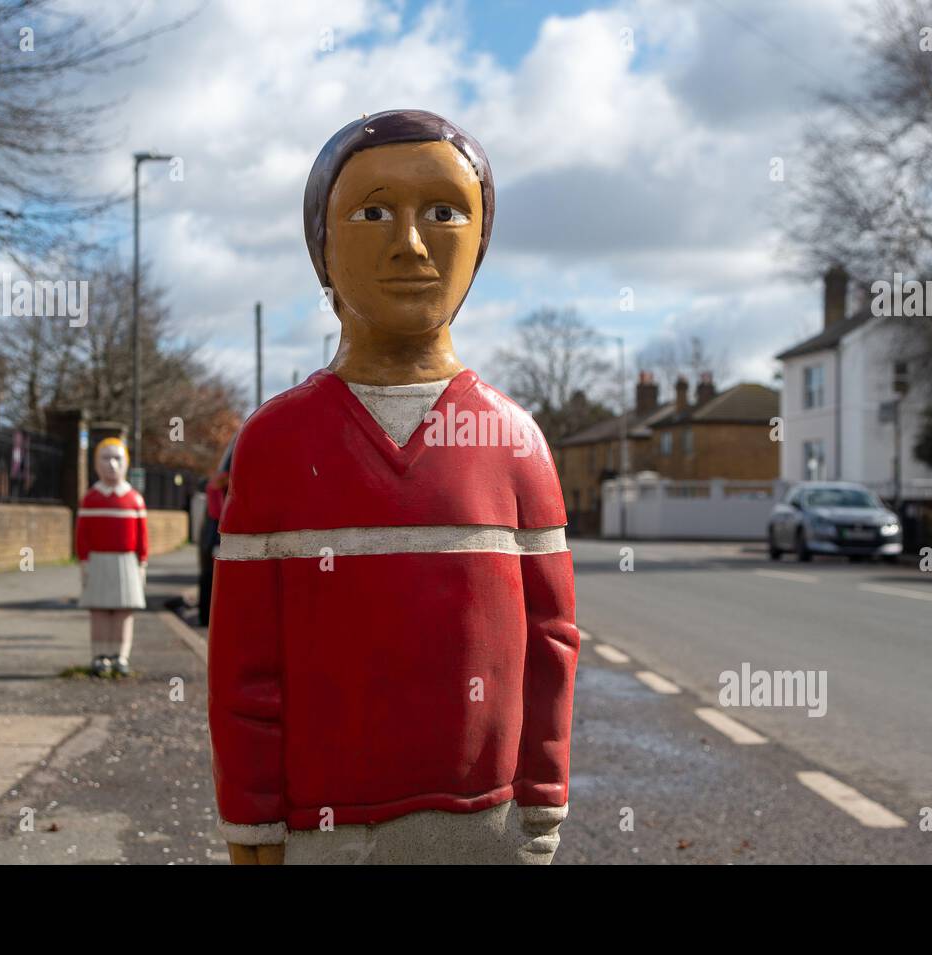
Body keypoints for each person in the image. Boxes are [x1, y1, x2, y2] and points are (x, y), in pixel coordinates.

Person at [208, 109, 579, 864]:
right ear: (322, 244)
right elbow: (244, 660)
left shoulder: (516, 442)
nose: (410, 243)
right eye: (373, 211)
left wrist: (542, 800)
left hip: (485, 825)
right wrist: (251, 820)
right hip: (324, 830)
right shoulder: (276, 444)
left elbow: (551, 642)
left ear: (480, 240)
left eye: (443, 212)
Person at [76, 437, 148, 677]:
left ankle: (121, 656)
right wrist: (84, 561)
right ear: (96, 463)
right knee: (99, 611)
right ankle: (99, 655)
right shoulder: (90, 498)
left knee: (123, 612)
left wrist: (142, 563)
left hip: (127, 562)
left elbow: (142, 537)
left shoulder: (134, 500)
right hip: (98, 562)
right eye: (105, 458)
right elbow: (82, 534)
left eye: (117, 458)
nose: (111, 464)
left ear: (125, 462)